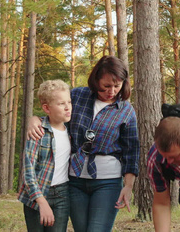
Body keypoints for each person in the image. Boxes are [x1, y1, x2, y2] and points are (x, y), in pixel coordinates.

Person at [27, 55, 140, 232]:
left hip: (107, 182)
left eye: (117, 86)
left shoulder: (126, 111)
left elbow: (131, 151)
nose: (112, 91)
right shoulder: (78, 96)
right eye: (106, 86)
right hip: (74, 181)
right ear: (96, 81)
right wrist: (34, 119)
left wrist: (128, 186)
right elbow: (56, 112)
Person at [18, 79, 72, 232]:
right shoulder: (38, 131)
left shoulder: (72, 130)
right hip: (36, 195)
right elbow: (28, 173)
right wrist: (41, 202)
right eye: (61, 104)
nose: (68, 107)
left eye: (69, 102)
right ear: (47, 108)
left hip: (62, 195)